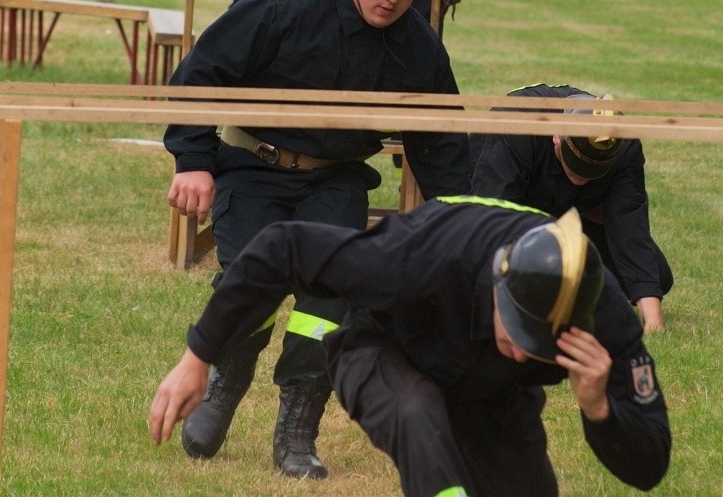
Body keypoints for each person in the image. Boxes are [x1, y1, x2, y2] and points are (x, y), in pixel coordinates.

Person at [163, 0, 470, 479]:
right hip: (254, 166)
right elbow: (202, 70)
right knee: (251, 277)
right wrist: (193, 160)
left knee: (329, 300)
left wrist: (463, 219)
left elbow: (443, 143)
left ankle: (298, 427)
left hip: (336, 177)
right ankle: (223, 389)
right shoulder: (284, 2)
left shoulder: (419, 47)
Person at [148, 201, 672, 496]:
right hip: (382, 350)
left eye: (539, 346)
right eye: (514, 330)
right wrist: (199, 356)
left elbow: (650, 467)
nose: (520, 352)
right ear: (497, 283)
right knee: (417, 413)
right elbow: (281, 248)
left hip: (491, 394)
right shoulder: (417, 261)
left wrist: (600, 408)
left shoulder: (604, 321)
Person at [471, 84, 673, 333]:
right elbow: (491, 215)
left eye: (590, 173)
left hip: (571, 214)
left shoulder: (623, 143)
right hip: (510, 211)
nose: (581, 177)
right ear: (557, 135)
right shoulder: (518, 122)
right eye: (575, 166)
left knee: (659, 276)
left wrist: (654, 323)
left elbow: (630, 225)